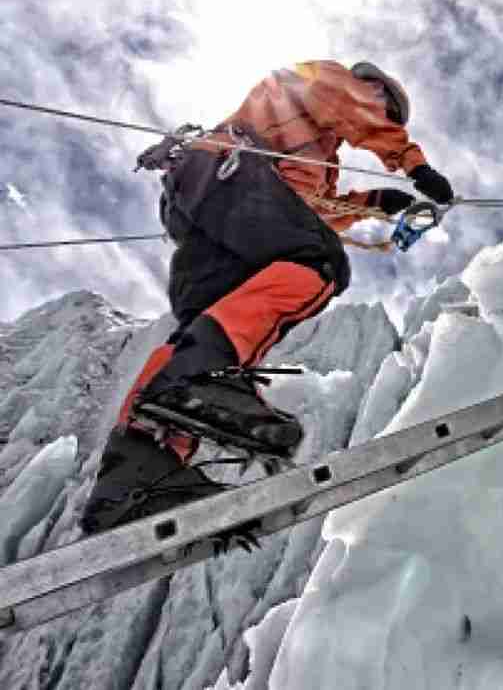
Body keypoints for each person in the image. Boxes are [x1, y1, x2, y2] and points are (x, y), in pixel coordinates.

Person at [80, 60, 453, 534]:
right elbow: (348, 117)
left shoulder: (315, 148)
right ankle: (197, 379)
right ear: (372, 87)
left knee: (202, 328)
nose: (383, 118)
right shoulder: (330, 81)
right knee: (319, 264)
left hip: (207, 198)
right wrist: (415, 166)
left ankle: (137, 476)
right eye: (387, 109)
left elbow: (308, 208)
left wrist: (376, 203)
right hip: (229, 175)